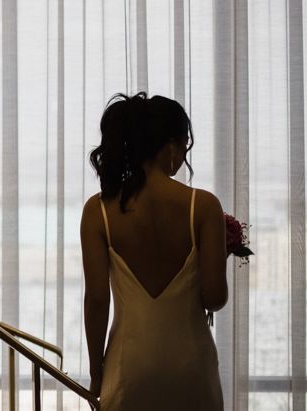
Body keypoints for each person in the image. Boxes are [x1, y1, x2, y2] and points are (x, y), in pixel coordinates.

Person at [80, 93, 227, 410]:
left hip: (128, 369)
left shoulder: (99, 210)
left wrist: (96, 374)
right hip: (192, 369)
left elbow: (96, 300)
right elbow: (215, 297)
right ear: (172, 146)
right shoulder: (202, 206)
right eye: (185, 145)